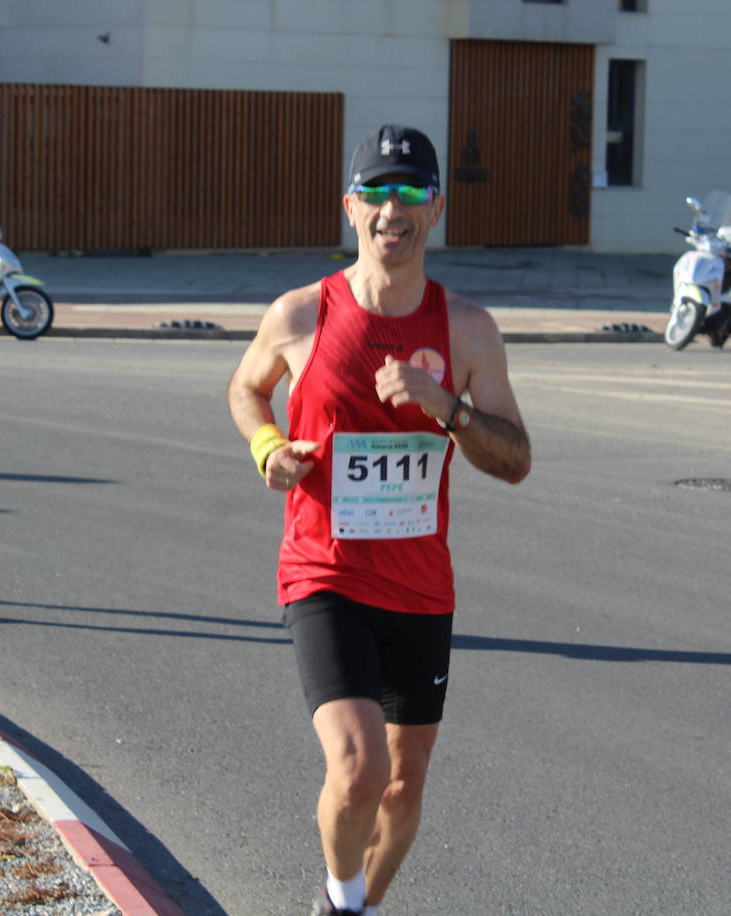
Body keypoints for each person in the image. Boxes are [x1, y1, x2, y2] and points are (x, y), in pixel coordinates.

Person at [227, 124, 531, 916]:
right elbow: (245, 388)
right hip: (323, 571)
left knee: (402, 786)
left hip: (421, 588)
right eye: (376, 192)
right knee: (358, 769)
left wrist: (448, 408)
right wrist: (267, 447)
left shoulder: (466, 329)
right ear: (350, 207)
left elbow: (516, 457)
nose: (392, 209)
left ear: (436, 210)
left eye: (410, 193)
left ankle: (349, 908)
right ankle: (340, 892)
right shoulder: (301, 314)